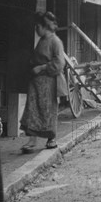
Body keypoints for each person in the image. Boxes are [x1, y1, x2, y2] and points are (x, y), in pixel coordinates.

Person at [20, 11, 66, 153]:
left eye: (37, 26)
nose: (36, 30)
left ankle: (51, 139)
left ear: (44, 26)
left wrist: (41, 67)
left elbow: (59, 62)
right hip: (36, 83)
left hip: (49, 81)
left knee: (48, 110)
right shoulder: (42, 40)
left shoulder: (55, 41)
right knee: (32, 109)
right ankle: (32, 140)